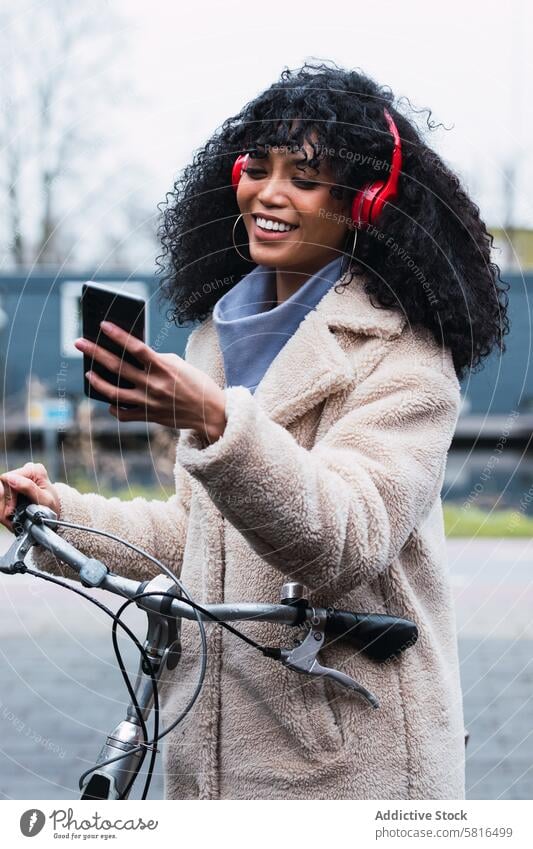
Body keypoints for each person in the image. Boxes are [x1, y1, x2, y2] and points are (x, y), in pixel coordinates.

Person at [0, 61, 509, 800]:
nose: (268, 193)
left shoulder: (406, 357)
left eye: (303, 177)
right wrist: (57, 514)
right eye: (256, 168)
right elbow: (195, 537)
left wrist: (212, 419)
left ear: (365, 202)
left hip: (346, 772)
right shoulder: (218, 337)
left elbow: (346, 537)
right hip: (209, 759)